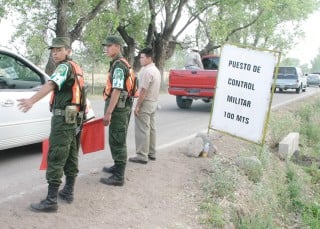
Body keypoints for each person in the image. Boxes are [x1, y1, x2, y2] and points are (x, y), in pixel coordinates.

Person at [17, 37, 86, 212]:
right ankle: (68, 192)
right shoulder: (76, 67)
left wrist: (32, 100)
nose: (55, 53)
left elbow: (51, 85)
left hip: (63, 119)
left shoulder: (64, 67)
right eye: (53, 51)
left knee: (56, 155)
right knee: (70, 155)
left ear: (68, 51)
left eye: (59, 50)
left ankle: (51, 200)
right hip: (75, 118)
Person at [100, 35, 133, 186]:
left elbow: (117, 89)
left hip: (118, 110)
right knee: (114, 138)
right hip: (120, 108)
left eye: (109, 45)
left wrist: (108, 113)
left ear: (118, 47)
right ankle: (116, 166)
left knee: (118, 140)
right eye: (106, 46)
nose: (106, 48)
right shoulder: (117, 63)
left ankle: (119, 176)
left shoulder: (119, 65)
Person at [129, 47, 161, 164]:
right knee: (151, 129)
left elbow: (143, 90)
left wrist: (137, 106)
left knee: (142, 129)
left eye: (142, 57)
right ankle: (151, 153)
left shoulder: (146, 71)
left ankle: (142, 155)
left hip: (146, 102)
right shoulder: (156, 70)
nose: (140, 60)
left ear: (149, 58)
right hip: (153, 102)